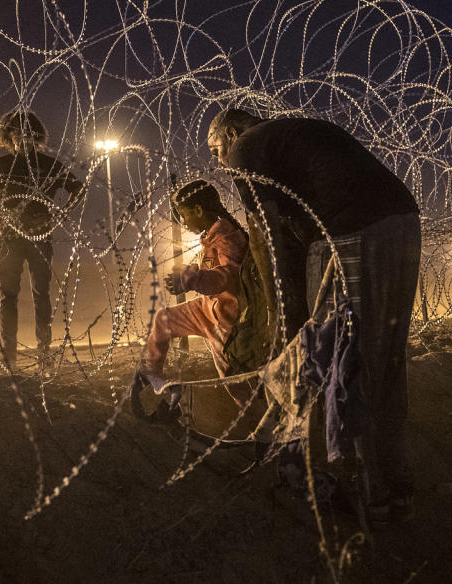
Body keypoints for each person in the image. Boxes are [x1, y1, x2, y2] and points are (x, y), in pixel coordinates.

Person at [208, 109, 421, 522]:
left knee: (343, 360)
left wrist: (283, 322)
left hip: (350, 232)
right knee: (385, 358)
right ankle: (399, 485)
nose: (220, 162)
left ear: (231, 133)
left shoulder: (246, 146)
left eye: (216, 150)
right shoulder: (291, 134)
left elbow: (265, 236)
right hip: (401, 222)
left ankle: (365, 488)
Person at [0, 110, 83, 371]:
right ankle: (9, 356)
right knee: (9, 296)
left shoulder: (49, 164)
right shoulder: (2, 165)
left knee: (40, 294)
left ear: (38, 137)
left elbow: (78, 188)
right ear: (9, 136)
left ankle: (43, 353)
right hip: (11, 236)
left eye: (30, 134)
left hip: (39, 234)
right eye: (19, 134)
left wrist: (59, 215)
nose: (25, 139)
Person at [136, 179, 249, 403]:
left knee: (235, 381)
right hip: (207, 309)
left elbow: (226, 276)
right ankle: (151, 374)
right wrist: (187, 276)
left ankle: (261, 423)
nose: (183, 222)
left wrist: (190, 280)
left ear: (198, 209)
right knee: (164, 319)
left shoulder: (227, 236)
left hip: (225, 319)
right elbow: (210, 269)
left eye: (184, 214)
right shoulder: (210, 236)